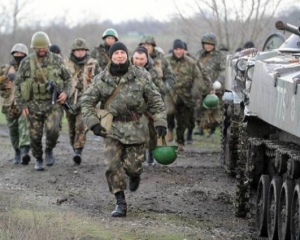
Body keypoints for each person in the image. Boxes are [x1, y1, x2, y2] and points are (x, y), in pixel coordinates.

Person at [80, 41, 167, 217]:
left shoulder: (141, 75)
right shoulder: (101, 78)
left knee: (133, 167)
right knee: (112, 166)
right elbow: (87, 102)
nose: (119, 56)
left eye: (122, 53)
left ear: (127, 55)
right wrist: (93, 123)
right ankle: (120, 202)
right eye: (116, 53)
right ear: (111, 56)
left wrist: (160, 122)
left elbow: (155, 100)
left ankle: (135, 175)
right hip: (112, 129)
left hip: (136, 127)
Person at [15, 31, 72, 171]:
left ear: (48, 46)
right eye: (38, 48)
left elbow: (68, 79)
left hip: (53, 104)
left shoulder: (57, 60)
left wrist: (65, 93)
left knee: (53, 130)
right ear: (33, 48)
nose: (41, 50)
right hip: (33, 104)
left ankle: (49, 149)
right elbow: (17, 84)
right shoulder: (26, 62)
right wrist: (22, 104)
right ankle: (38, 158)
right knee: (34, 136)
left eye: (44, 47)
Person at [64, 38, 100, 165]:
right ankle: (75, 148)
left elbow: (99, 81)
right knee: (71, 128)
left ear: (86, 51)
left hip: (87, 101)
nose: (80, 53)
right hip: (69, 100)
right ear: (73, 51)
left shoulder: (93, 64)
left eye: (82, 50)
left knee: (81, 125)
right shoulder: (65, 63)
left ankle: (78, 151)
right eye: (77, 50)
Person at [166, 39, 205, 151]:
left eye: (181, 49)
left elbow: (198, 78)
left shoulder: (191, 63)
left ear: (184, 50)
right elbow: (158, 74)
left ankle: (180, 142)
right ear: (173, 50)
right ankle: (170, 128)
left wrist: (195, 92)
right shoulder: (166, 61)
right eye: (176, 49)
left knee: (183, 120)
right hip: (170, 93)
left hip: (185, 95)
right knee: (169, 111)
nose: (178, 51)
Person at [139, 34, 176, 142]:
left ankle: (151, 152)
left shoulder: (162, 60)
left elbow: (171, 77)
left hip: (157, 99)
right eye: (144, 45)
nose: (146, 47)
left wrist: (164, 89)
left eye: (148, 45)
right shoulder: (137, 58)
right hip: (139, 99)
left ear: (153, 46)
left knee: (154, 126)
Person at [131, 45, 164, 165]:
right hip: (132, 108)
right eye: (136, 58)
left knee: (152, 133)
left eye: (141, 59)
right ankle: (138, 156)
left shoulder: (153, 72)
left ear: (146, 59)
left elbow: (158, 90)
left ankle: (151, 155)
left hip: (149, 108)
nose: (138, 61)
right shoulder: (127, 69)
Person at [0, 43, 31, 165]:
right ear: (13, 54)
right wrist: (5, 80)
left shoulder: (29, 68)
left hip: (24, 103)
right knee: (13, 131)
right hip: (9, 105)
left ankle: (25, 151)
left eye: (21, 54)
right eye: (17, 53)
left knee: (24, 126)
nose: (19, 55)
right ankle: (17, 151)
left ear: (25, 55)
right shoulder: (5, 69)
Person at [195, 33, 226, 137]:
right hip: (201, 87)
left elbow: (224, 70)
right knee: (199, 109)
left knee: (215, 111)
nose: (208, 46)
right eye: (206, 44)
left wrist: (219, 82)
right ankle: (200, 127)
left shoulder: (220, 56)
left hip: (215, 88)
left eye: (210, 44)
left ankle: (212, 130)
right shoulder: (199, 54)